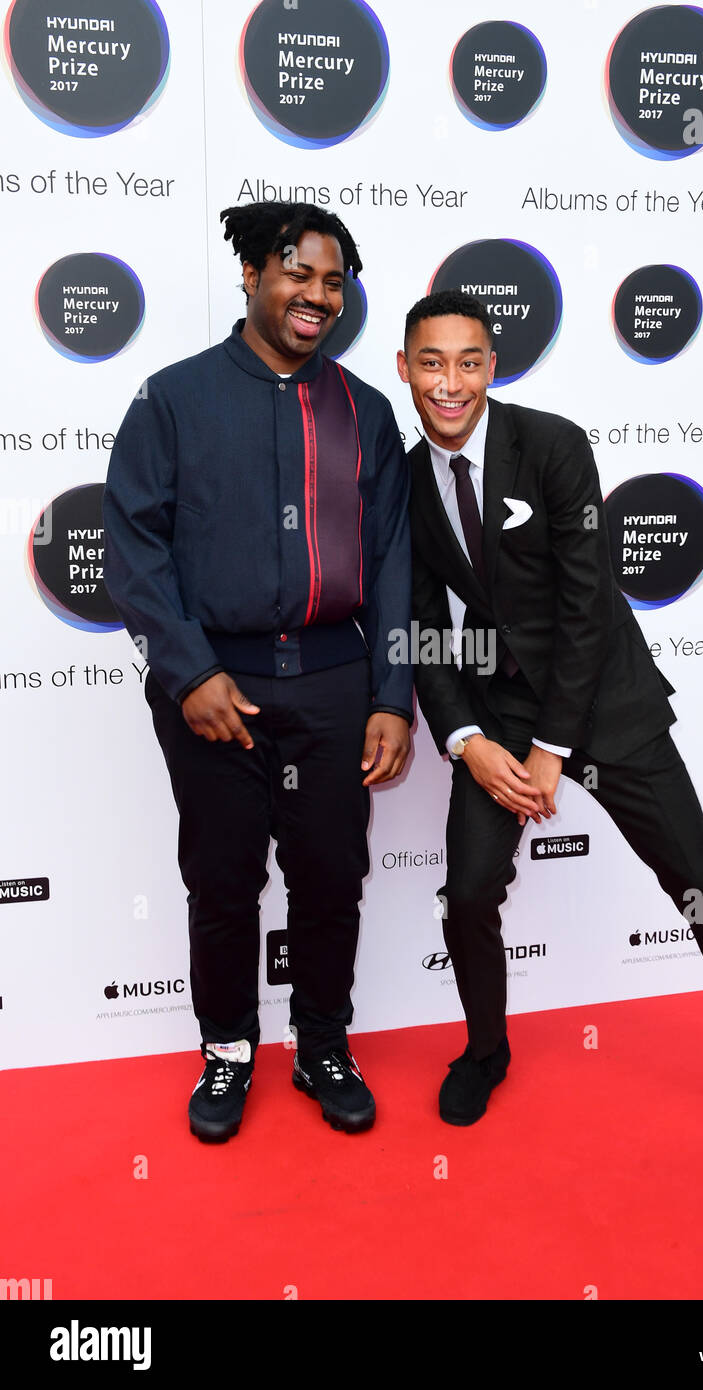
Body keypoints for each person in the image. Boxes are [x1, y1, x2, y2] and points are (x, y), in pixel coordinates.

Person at [397, 289, 703, 1174]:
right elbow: (420, 621)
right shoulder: (403, 476)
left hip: (603, 703)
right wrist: (467, 739)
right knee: (465, 893)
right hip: (496, 713)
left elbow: (585, 609)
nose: (450, 383)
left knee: (702, 883)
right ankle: (487, 1050)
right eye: (432, 363)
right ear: (406, 370)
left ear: (492, 367)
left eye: (468, 362)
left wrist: (551, 751)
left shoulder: (554, 445)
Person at [103, 202, 412, 1142]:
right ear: (250, 275)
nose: (317, 294)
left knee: (330, 877)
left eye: (332, 280)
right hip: (215, 689)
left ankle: (322, 1044)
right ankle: (228, 1050)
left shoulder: (366, 410)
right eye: (297, 273)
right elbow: (132, 543)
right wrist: (188, 672)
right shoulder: (174, 399)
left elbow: (394, 559)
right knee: (223, 880)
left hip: (332, 681)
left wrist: (393, 694)